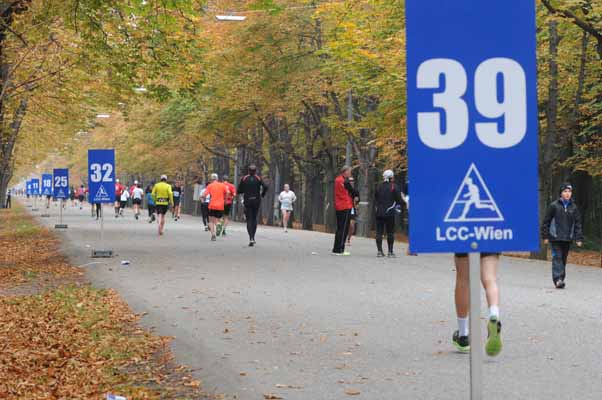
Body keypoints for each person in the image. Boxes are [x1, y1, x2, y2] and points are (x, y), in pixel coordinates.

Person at [452, 253, 503, 358]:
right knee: (490, 279)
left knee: (463, 279)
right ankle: (494, 315)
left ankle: (463, 335)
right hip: (488, 237)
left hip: (464, 238)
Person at [541, 183, 583, 289]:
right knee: (557, 258)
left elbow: (577, 223)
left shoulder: (574, 207)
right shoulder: (553, 206)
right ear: (561, 193)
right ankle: (557, 279)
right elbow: (546, 222)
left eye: (569, 191)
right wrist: (545, 236)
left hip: (567, 238)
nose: (567, 193)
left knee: (563, 259)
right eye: (565, 191)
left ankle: (561, 279)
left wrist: (578, 238)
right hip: (555, 237)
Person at [237, 164, 268, 247]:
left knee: (249, 219)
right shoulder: (258, 178)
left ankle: (250, 237)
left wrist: (244, 191)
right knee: (254, 219)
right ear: (255, 171)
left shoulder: (244, 178)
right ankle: (253, 237)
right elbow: (265, 187)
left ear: (248, 171)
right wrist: (262, 194)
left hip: (247, 201)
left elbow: (239, 190)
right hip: (256, 201)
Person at [374, 170, 402, 258]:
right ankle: (390, 252)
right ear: (391, 177)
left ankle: (379, 251)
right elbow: (398, 199)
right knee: (390, 232)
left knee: (379, 232)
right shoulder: (394, 186)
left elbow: (376, 197)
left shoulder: (379, 186)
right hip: (389, 212)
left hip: (379, 212)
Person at [332, 166, 354, 256]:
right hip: (345, 205)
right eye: (349, 172)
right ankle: (340, 249)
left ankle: (336, 249)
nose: (350, 173)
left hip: (340, 206)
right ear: (344, 172)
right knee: (344, 229)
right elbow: (349, 191)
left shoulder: (338, 180)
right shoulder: (342, 181)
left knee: (340, 228)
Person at [202, 173, 229, 241]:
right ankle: (218, 225)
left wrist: (203, 198)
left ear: (211, 179)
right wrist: (225, 200)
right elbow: (228, 192)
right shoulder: (222, 185)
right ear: (217, 179)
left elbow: (204, 195)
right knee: (219, 219)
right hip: (220, 205)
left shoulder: (210, 186)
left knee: (211, 220)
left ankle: (213, 235)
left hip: (212, 205)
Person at [346, 178, 359, 246]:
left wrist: (356, 204)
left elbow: (357, 201)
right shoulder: (345, 190)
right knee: (345, 225)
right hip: (345, 208)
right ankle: (343, 238)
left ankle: (348, 239)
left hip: (352, 209)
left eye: (353, 181)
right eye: (350, 181)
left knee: (352, 225)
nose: (351, 182)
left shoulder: (355, 191)